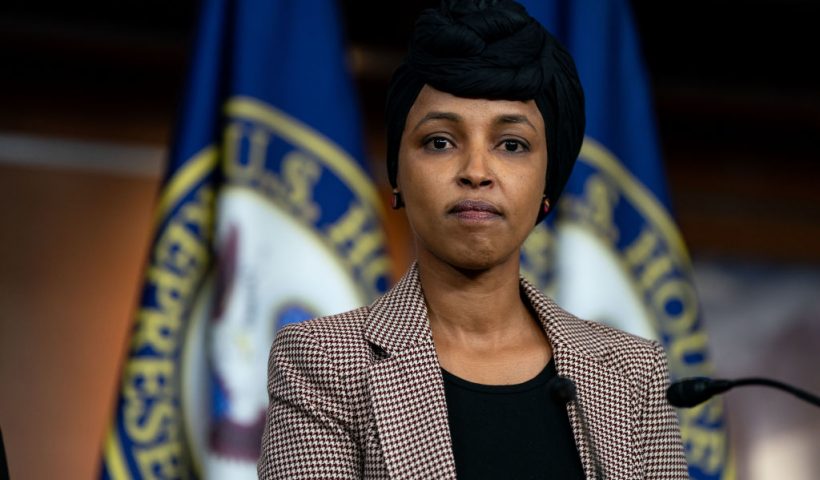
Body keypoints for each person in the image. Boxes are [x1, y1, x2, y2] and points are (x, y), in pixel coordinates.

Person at [258, 0, 689, 478]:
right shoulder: (324, 361)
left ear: (549, 183)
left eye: (512, 144)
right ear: (397, 173)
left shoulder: (633, 372)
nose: (476, 172)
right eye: (440, 141)